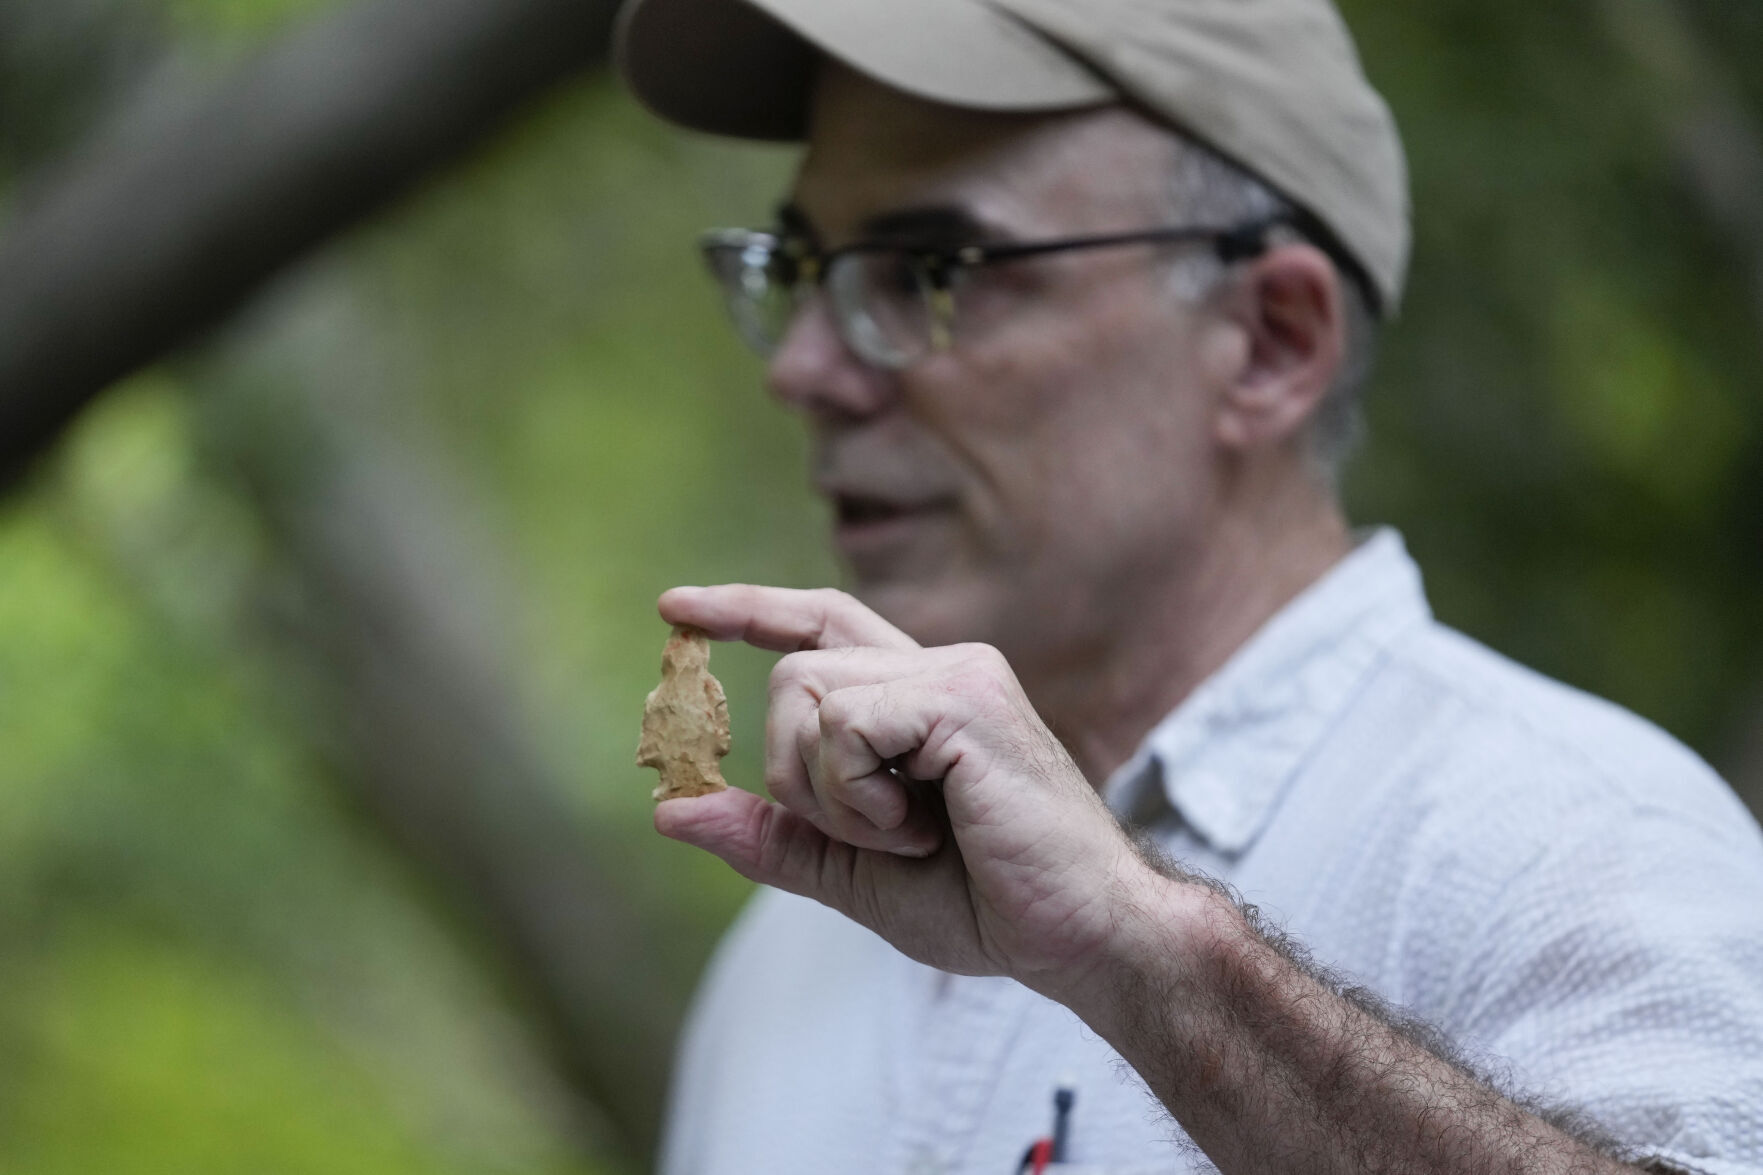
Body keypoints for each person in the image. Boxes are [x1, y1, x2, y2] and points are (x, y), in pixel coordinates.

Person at [612, 0, 1763, 1171]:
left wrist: (1151, 963)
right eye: (800, 268)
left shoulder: (1566, 842)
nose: (805, 365)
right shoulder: (792, 948)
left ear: (1268, 340)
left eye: (923, 273)